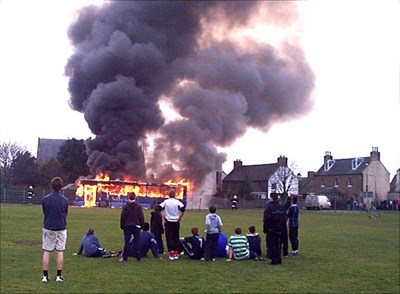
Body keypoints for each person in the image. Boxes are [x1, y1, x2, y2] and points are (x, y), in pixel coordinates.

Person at [41, 177, 68, 282]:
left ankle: (44, 276)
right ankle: (58, 276)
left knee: (46, 251)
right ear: (61, 187)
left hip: (48, 226)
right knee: (60, 251)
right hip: (61, 228)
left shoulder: (45, 199)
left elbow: (45, 212)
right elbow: (65, 214)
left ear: (51, 186)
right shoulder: (65, 200)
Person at [159, 189, 185, 260]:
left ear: (168, 195)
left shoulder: (166, 202)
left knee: (169, 237)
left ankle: (171, 253)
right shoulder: (177, 202)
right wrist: (180, 217)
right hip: (176, 221)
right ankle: (176, 253)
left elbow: (159, 208)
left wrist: (163, 216)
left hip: (168, 221)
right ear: (175, 195)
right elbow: (183, 208)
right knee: (176, 237)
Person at [120, 192, 144, 262]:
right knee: (137, 242)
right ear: (135, 198)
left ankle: (125, 258)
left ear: (128, 197)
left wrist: (122, 225)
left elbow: (123, 217)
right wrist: (141, 225)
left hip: (127, 226)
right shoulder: (138, 207)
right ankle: (139, 257)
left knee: (127, 242)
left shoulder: (125, 207)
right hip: (136, 226)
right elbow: (141, 217)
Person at [263, 192, 286, 265]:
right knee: (278, 244)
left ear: (271, 198)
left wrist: (265, 228)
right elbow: (284, 218)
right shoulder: (281, 207)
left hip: (271, 228)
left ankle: (274, 259)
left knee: (271, 244)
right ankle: (279, 259)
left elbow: (266, 219)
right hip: (280, 228)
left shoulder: (269, 207)